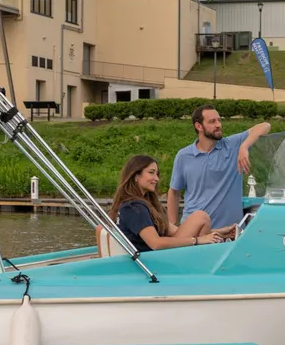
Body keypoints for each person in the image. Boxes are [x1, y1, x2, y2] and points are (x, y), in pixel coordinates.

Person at [168, 105, 271, 236]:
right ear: (198, 126)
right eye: (212, 121)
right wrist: (172, 227)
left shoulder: (233, 145)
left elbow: (265, 126)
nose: (218, 125)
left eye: (219, 120)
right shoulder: (183, 156)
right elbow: (174, 192)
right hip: (197, 233)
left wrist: (244, 146)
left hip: (232, 234)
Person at [108, 155, 222, 252]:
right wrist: (197, 240)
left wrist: (221, 232)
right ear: (136, 176)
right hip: (153, 262)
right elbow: (156, 243)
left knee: (201, 218)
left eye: (157, 174)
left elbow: (176, 231)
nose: (156, 179)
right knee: (200, 217)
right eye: (151, 173)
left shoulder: (141, 204)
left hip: (158, 256)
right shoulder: (134, 208)